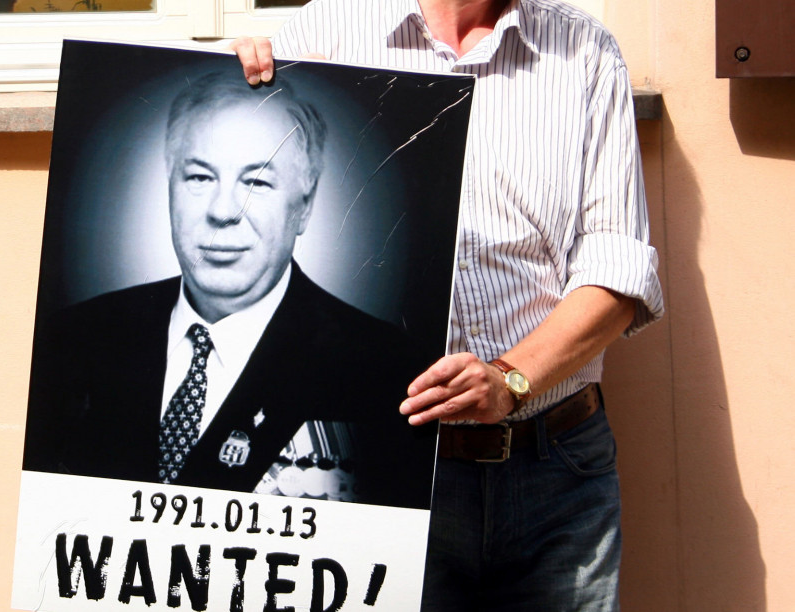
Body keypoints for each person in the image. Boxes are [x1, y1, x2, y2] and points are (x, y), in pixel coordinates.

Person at [231, 0, 665, 609]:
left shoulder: (584, 52)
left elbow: (617, 274)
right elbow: (256, 189)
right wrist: (235, 81)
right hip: (382, 465)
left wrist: (510, 380)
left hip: (555, 469)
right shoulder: (326, 28)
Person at [22, 70, 438, 510]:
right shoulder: (73, 338)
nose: (223, 211)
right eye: (200, 178)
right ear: (169, 188)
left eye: (256, 182)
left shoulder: (384, 367)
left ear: (305, 206)